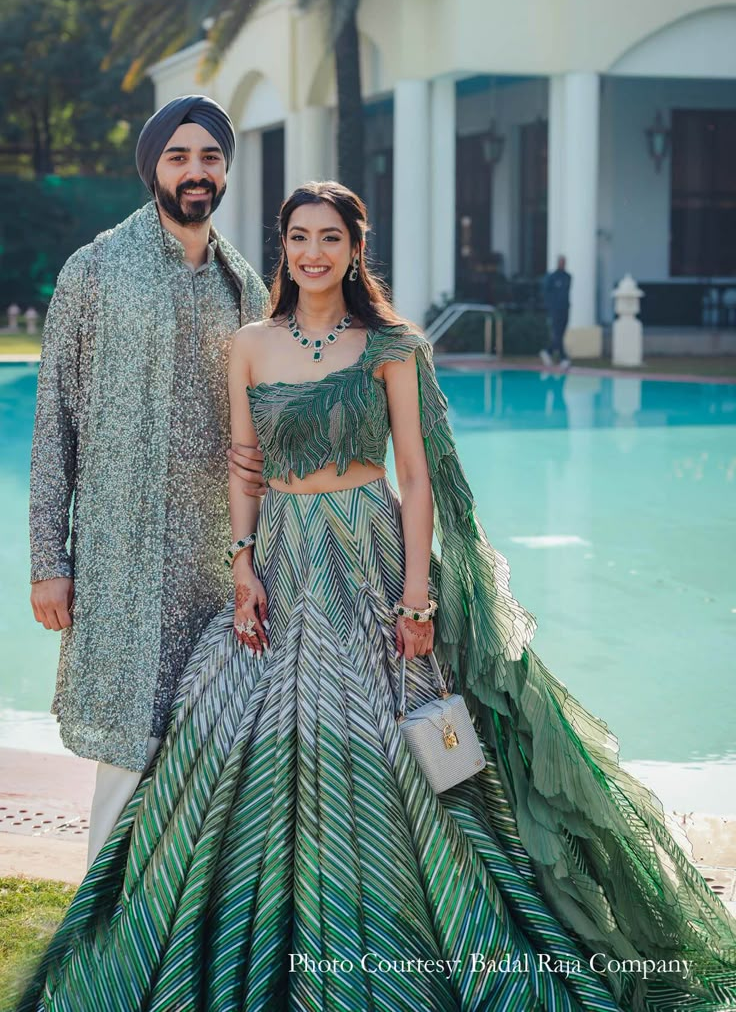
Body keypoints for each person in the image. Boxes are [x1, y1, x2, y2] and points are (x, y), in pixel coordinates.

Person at [18, 182, 736, 1012]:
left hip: (369, 556)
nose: (312, 252)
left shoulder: (393, 344)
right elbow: (242, 465)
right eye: (297, 237)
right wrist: (242, 561)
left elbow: (418, 475)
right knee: (222, 722)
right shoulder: (249, 343)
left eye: (330, 237)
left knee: (410, 742)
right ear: (282, 246)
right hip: (280, 562)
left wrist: (417, 593)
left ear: (357, 248)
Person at [28, 95, 269, 868]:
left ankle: (179, 935)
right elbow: (53, 423)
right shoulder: (95, 269)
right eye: (178, 156)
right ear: (153, 169)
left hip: (214, 563)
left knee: (208, 747)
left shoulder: (246, 288)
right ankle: (98, 942)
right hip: (120, 558)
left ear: (225, 169)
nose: (195, 172)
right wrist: (49, 560)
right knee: (127, 751)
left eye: (209, 157)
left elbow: (263, 432)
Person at [540, 254, 572, 370]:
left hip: (565, 309)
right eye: (561, 262)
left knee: (560, 333)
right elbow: (547, 293)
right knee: (557, 333)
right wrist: (550, 306)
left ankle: (548, 352)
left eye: (564, 262)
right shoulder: (552, 277)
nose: (562, 264)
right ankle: (563, 358)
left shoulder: (568, 277)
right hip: (555, 310)